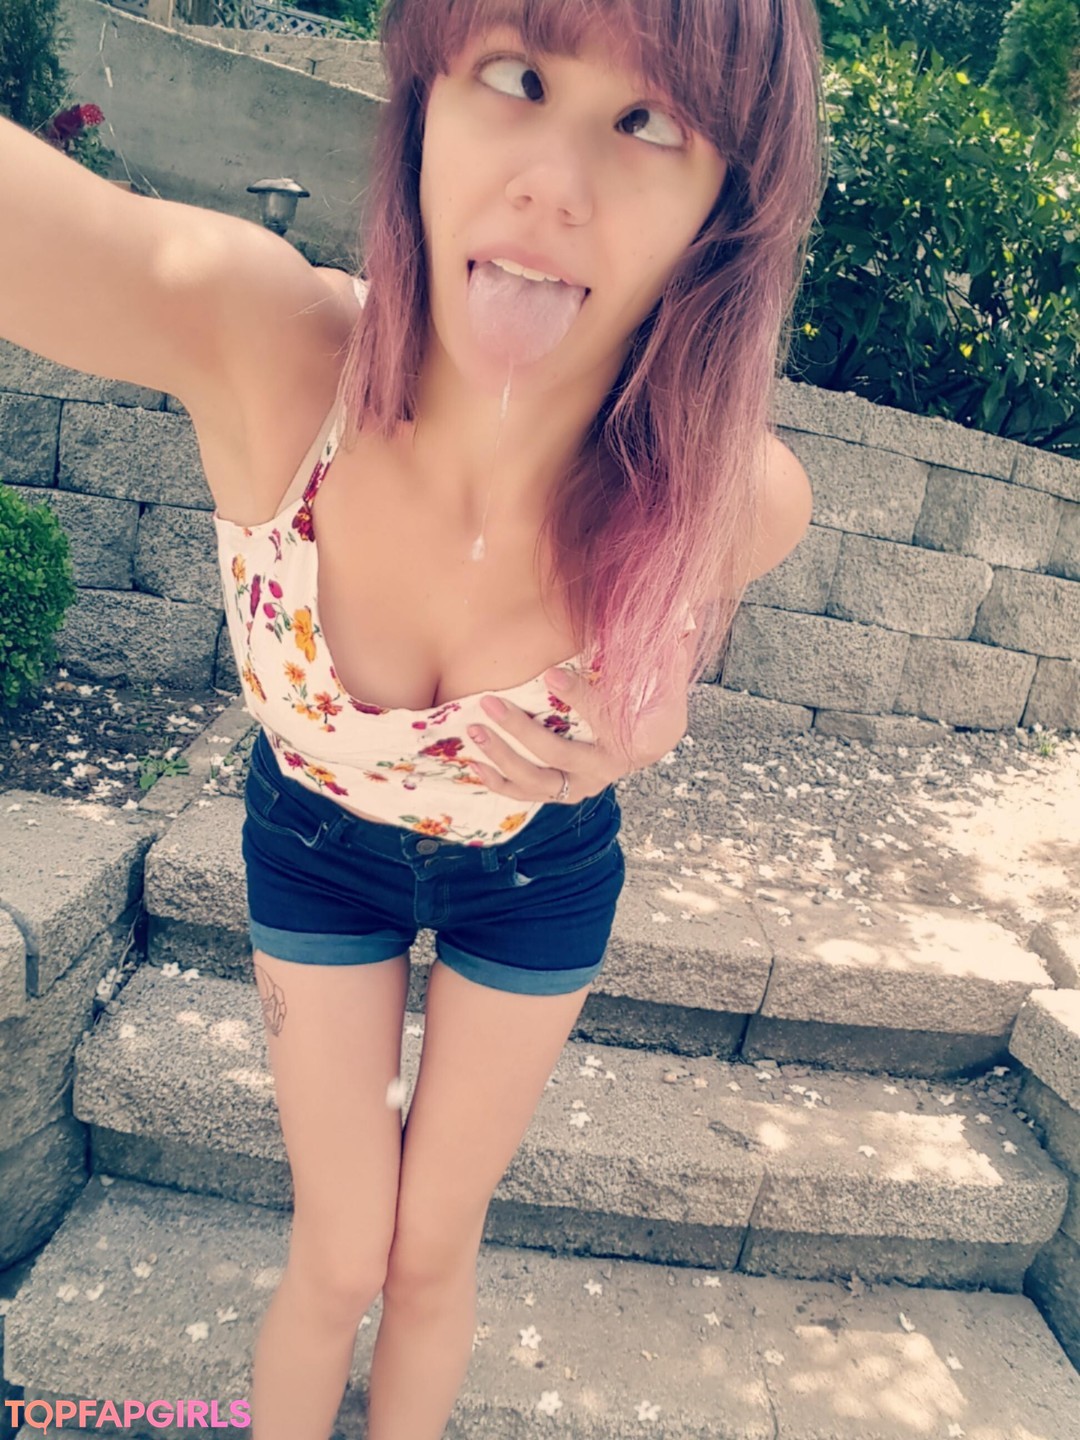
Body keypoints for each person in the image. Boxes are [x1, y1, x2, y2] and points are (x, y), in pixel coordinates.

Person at [1, 0, 825, 1433]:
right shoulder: (268, 348)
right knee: (340, 1256)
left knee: (432, 1258)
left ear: (726, 208)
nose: (554, 185)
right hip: (315, 848)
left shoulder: (740, 498)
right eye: (517, 75)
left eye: (649, 122)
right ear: (428, 101)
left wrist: (651, 726)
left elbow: (671, 662)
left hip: (537, 875)